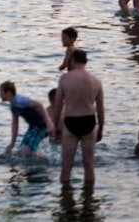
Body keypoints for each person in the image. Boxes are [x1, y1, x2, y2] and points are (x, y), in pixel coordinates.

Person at [55, 49, 105, 184]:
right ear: (86, 61)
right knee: (89, 165)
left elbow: (58, 104)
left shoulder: (65, 78)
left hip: (71, 120)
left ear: (72, 60)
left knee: (66, 165)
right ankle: (88, 194)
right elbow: (100, 108)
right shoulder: (96, 80)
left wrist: (56, 125)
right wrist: (100, 128)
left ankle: (65, 194)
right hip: (89, 121)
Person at [0, 81, 54, 156]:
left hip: (41, 126)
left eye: (1, 92)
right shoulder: (13, 106)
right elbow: (15, 125)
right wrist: (12, 143)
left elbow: (40, 105)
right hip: (33, 127)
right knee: (20, 152)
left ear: (8, 92)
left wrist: (48, 123)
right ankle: (40, 156)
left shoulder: (20, 100)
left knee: (24, 151)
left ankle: (44, 158)